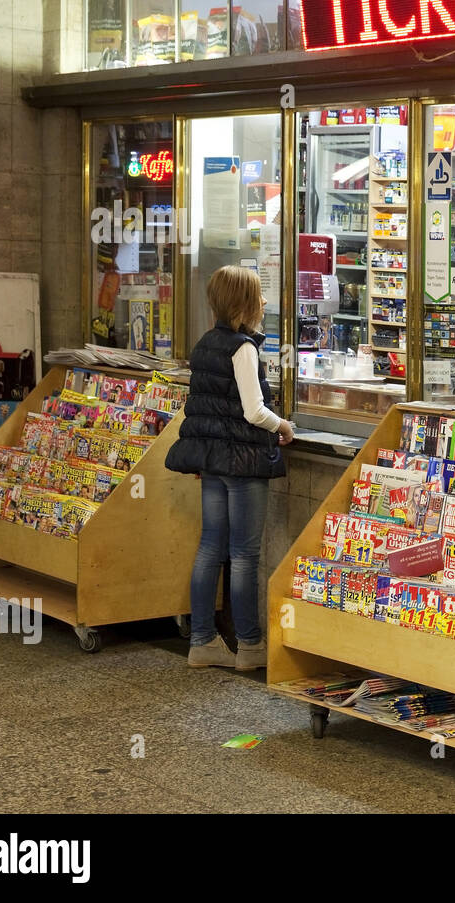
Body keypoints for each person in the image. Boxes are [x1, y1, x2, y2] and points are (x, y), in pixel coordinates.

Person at [166, 266, 293, 669]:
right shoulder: (244, 348)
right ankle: (250, 646)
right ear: (245, 303)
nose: (265, 302)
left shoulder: (205, 344)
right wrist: (283, 425)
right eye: (259, 296)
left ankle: (202, 640)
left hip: (212, 462)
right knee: (243, 554)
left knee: (210, 546)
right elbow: (254, 411)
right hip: (243, 461)